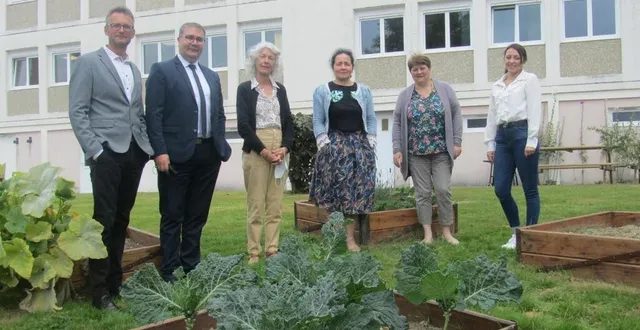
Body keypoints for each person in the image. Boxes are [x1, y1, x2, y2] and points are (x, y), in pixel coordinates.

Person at [68, 6, 153, 310]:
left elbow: (137, 113)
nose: (122, 31)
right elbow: (78, 112)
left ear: (132, 32)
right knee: (104, 221)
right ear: (106, 29)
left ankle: (116, 285)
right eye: (116, 26)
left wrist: (146, 149)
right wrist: (96, 150)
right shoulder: (89, 63)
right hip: (105, 152)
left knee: (121, 221)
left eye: (127, 27)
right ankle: (99, 292)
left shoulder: (132, 68)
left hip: (133, 152)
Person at [145, 22, 232, 281]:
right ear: (179, 39)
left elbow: (218, 113)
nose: (195, 43)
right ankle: (170, 268)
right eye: (190, 38)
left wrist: (220, 144)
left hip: (208, 154)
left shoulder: (211, 75)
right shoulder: (161, 71)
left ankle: (192, 264)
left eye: (200, 40)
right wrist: (159, 151)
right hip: (174, 156)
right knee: (173, 214)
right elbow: (154, 115)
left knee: (197, 214)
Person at [309, 48, 377, 252]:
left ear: (352, 67)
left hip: (359, 147)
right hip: (334, 147)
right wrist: (324, 143)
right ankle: (336, 235)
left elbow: (371, 118)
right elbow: (318, 120)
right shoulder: (323, 91)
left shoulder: (363, 91)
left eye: (347, 63)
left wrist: (371, 140)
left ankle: (350, 239)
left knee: (354, 195)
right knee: (334, 193)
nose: (343, 67)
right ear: (333, 67)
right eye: (339, 63)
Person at [391, 53, 462, 245]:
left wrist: (457, 142)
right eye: (415, 69)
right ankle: (428, 234)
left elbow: (456, 115)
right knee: (422, 193)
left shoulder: (445, 89)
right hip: (416, 153)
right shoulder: (405, 95)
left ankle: (447, 232)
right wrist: (397, 148)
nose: (419, 71)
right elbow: (397, 122)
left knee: (442, 189)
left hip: (441, 151)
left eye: (422, 68)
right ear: (411, 72)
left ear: (429, 69)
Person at [236, 42, 293, 265]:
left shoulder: (281, 89)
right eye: (263, 57)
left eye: (271, 57)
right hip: (256, 148)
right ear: (255, 60)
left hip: (279, 147)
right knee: (256, 203)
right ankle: (254, 251)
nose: (267, 60)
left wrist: (285, 147)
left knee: (275, 203)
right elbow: (243, 126)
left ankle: (272, 249)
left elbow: (288, 122)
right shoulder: (245, 89)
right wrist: (263, 151)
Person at [484, 43, 541, 249]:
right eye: (508, 57)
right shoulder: (497, 85)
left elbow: (535, 109)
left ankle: (531, 234)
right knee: (500, 189)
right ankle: (516, 232)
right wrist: (490, 143)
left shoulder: (529, 80)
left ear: (522, 60)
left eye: (516, 57)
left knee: (530, 189)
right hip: (502, 137)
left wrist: (531, 140)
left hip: (522, 133)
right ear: (504, 60)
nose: (511, 61)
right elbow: (492, 115)